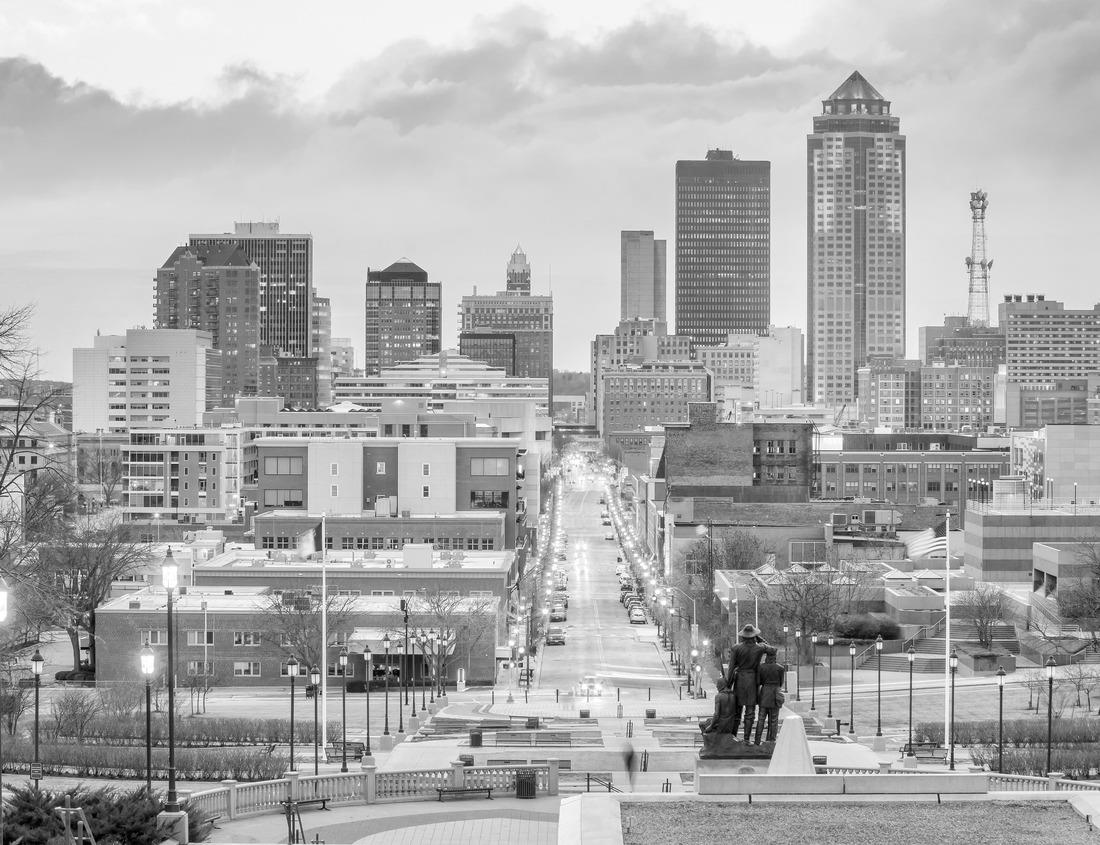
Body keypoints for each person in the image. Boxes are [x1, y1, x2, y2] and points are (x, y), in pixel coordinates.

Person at [724, 624, 770, 743]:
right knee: (750, 712)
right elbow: (771, 648)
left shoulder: (736, 648)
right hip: (752, 680)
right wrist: (759, 638)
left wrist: (728, 684)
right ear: (754, 635)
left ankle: (732, 737)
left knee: (737, 711)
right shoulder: (759, 648)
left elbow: (731, 667)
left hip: (740, 680)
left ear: (743, 636)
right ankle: (746, 739)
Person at [755, 651, 785, 744]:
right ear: (775, 657)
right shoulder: (780, 668)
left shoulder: (761, 667)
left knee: (761, 719)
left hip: (764, 694)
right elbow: (781, 683)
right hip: (775, 694)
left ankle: (757, 740)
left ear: (766, 657)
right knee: (774, 720)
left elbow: (758, 682)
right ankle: (771, 740)